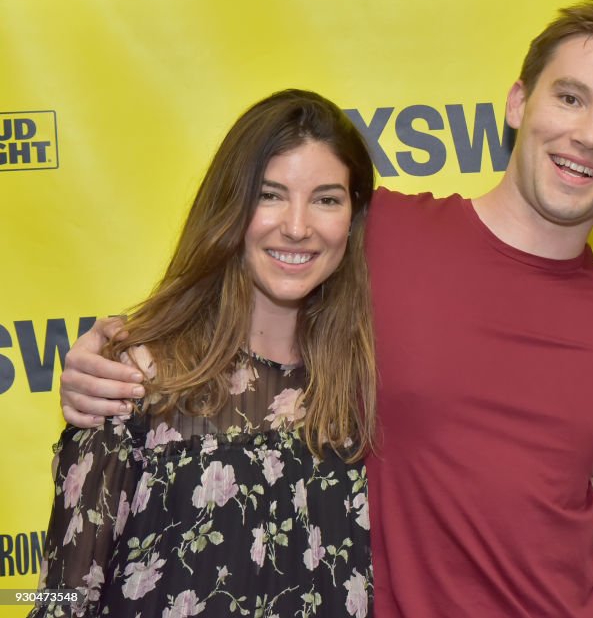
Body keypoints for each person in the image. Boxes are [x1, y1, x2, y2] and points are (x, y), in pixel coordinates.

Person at [58, 4, 593, 617]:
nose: (589, 135)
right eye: (570, 97)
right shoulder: (380, 232)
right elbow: (259, 268)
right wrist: (120, 350)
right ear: (519, 103)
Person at [33, 90, 375, 617]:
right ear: (232, 206)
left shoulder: (369, 385)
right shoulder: (136, 381)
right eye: (270, 194)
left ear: (354, 217)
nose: (298, 226)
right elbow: (59, 599)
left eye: (327, 199)